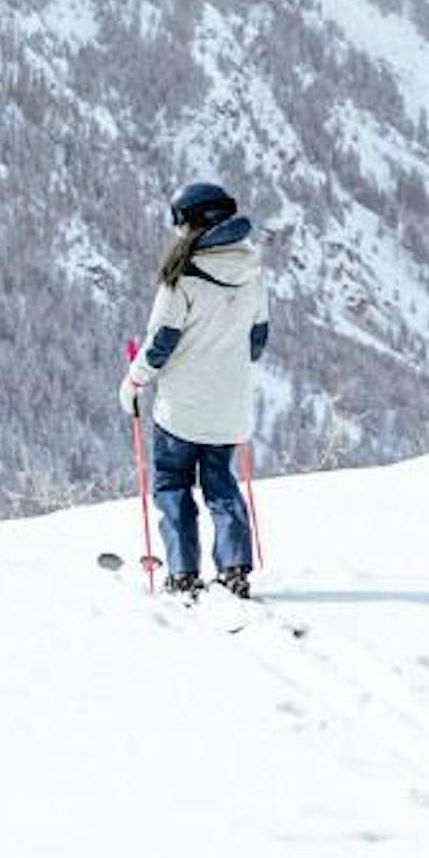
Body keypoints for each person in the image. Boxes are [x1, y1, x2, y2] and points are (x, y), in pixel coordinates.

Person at [118, 180, 268, 596]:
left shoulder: (181, 280)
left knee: (172, 485)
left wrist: (132, 383)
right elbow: (256, 343)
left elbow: (159, 345)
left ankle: (182, 572)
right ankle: (235, 567)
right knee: (221, 484)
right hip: (229, 409)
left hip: (180, 411)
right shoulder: (252, 274)